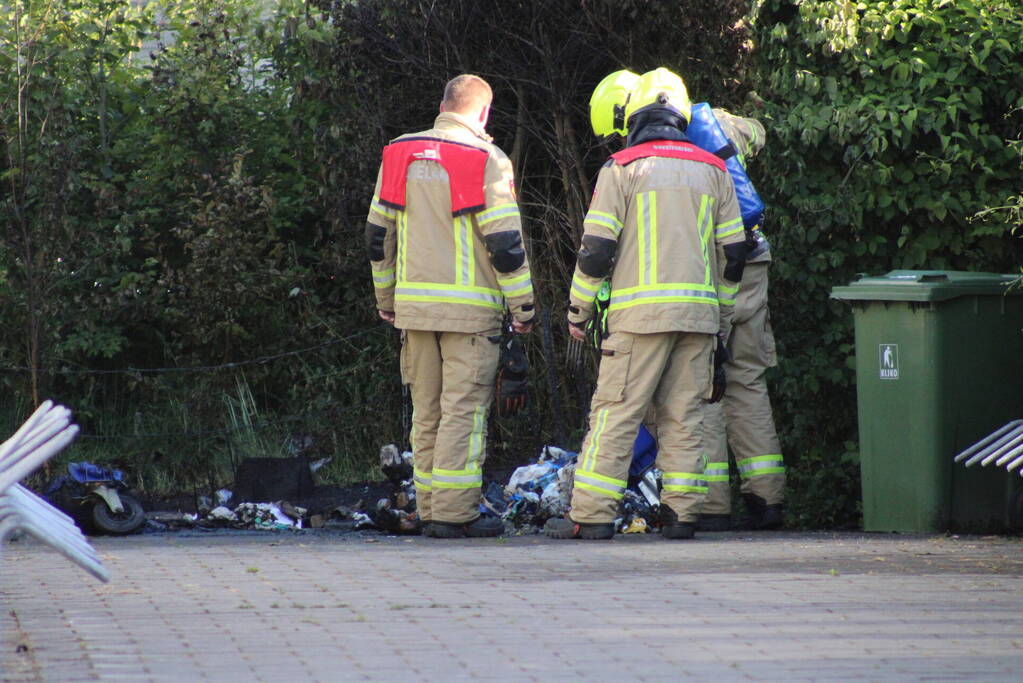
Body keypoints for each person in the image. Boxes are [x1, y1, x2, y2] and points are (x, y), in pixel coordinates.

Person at [545, 67, 747, 540]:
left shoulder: (622, 168)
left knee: (615, 414)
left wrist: (580, 310)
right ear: (680, 114)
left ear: (634, 114)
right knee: (685, 418)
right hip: (698, 319)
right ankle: (682, 515)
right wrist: (722, 320)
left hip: (638, 320)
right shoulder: (715, 170)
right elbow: (734, 254)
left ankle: (592, 516)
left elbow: (596, 249)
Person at [365, 74, 535, 538]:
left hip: (415, 311)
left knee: (427, 411)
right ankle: (455, 515)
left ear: (443, 105)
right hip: (471, 315)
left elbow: (378, 236)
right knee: (463, 411)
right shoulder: (487, 159)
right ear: (483, 113)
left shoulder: (398, 152)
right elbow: (505, 244)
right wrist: (523, 307)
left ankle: (428, 507)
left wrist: (386, 298)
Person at [698, 108, 786, 532]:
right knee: (747, 379)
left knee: (704, 382)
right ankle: (766, 499)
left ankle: (712, 503)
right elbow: (759, 130)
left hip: (711, 262)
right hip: (753, 256)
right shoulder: (720, 128)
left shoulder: (675, 137)